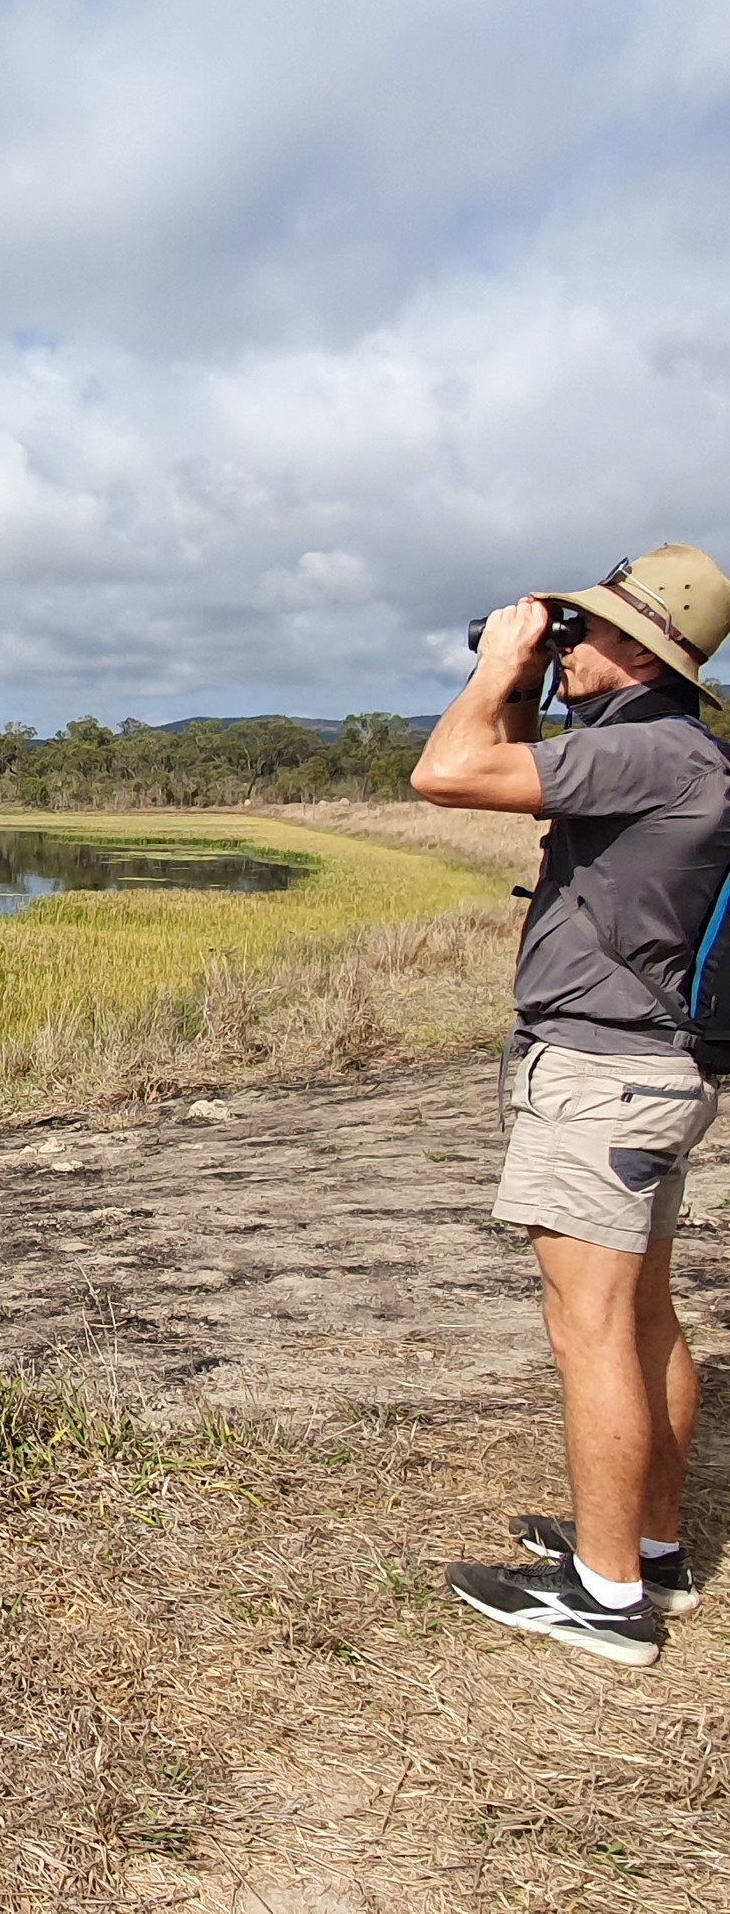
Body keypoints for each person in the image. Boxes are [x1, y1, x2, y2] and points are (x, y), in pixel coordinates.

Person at [410, 543, 730, 1665]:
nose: (563, 645)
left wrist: (496, 668)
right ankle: (645, 1551)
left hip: (603, 1077)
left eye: (579, 634)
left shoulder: (649, 751)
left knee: (586, 1324)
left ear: (642, 648)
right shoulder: (673, 750)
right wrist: (533, 679)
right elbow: (502, 773)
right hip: (648, 1070)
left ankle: (602, 1599)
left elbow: (445, 773)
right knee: (640, 1315)